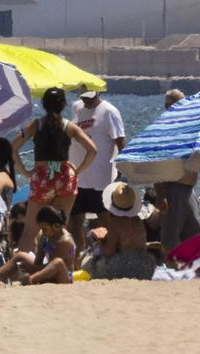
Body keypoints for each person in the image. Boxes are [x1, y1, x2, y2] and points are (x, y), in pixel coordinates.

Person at [13, 89, 96, 228]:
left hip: (41, 176)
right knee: (60, 227)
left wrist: (25, 171)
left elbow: (13, 148)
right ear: (63, 104)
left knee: (32, 229)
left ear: (44, 104)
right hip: (64, 177)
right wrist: (78, 170)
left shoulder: (36, 125)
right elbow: (92, 150)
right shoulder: (70, 127)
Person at [69, 88, 126, 239]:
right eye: (83, 97)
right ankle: (78, 255)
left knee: (104, 220)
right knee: (74, 221)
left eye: (90, 97)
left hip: (101, 178)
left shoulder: (109, 112)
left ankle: (109, 253)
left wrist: (121, 173)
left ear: (99, 93)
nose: (86, 101)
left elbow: (121, 144)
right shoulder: (76, 107)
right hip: (78, 177)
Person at [0, 206, 78, 285]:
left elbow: (54, 267)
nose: (42, 232)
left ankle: (31, 280)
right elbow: (38, 261)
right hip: (45, 272)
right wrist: (30, 267)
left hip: (63, 277)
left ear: (56, 226)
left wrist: (32, 269)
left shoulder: (64, 241)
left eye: (45, 229)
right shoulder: (45, 237)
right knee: (20, 255)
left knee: (58, 262)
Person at [84, 182, 156, 280]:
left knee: (89, 265)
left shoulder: (116, 222)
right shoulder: (138, 220)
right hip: (145, 264)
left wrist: (100, 240)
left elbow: (109, 252)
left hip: (125, 264)